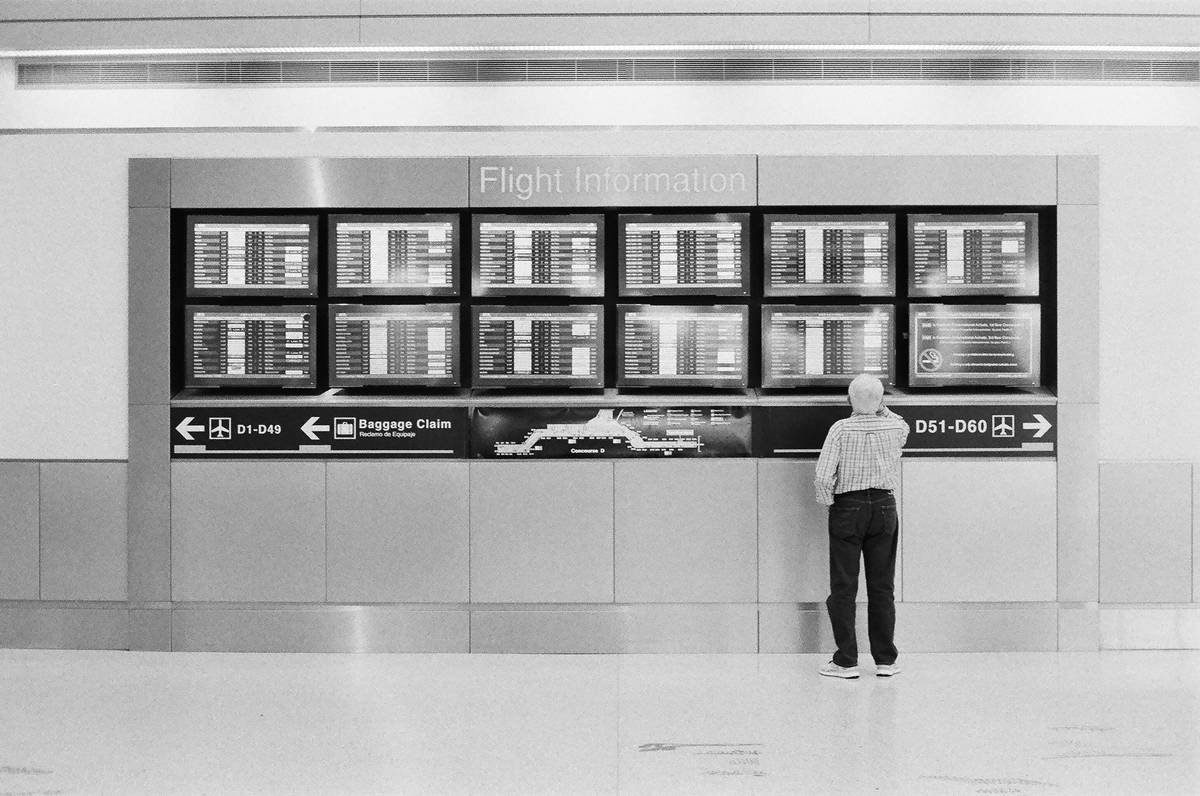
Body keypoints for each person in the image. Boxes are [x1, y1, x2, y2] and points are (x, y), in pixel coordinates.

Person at [813, 373, 909, 680]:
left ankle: (846, 661)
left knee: (844, 586)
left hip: (848, 507)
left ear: (849, 400)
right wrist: (878, 404)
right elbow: (899, 420)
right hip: (885, 507)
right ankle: (885, 660)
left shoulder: (840, 429)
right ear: (882, 402)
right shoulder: (896, 427)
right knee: (882, 587)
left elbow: (823, 476)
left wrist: (831, 503)